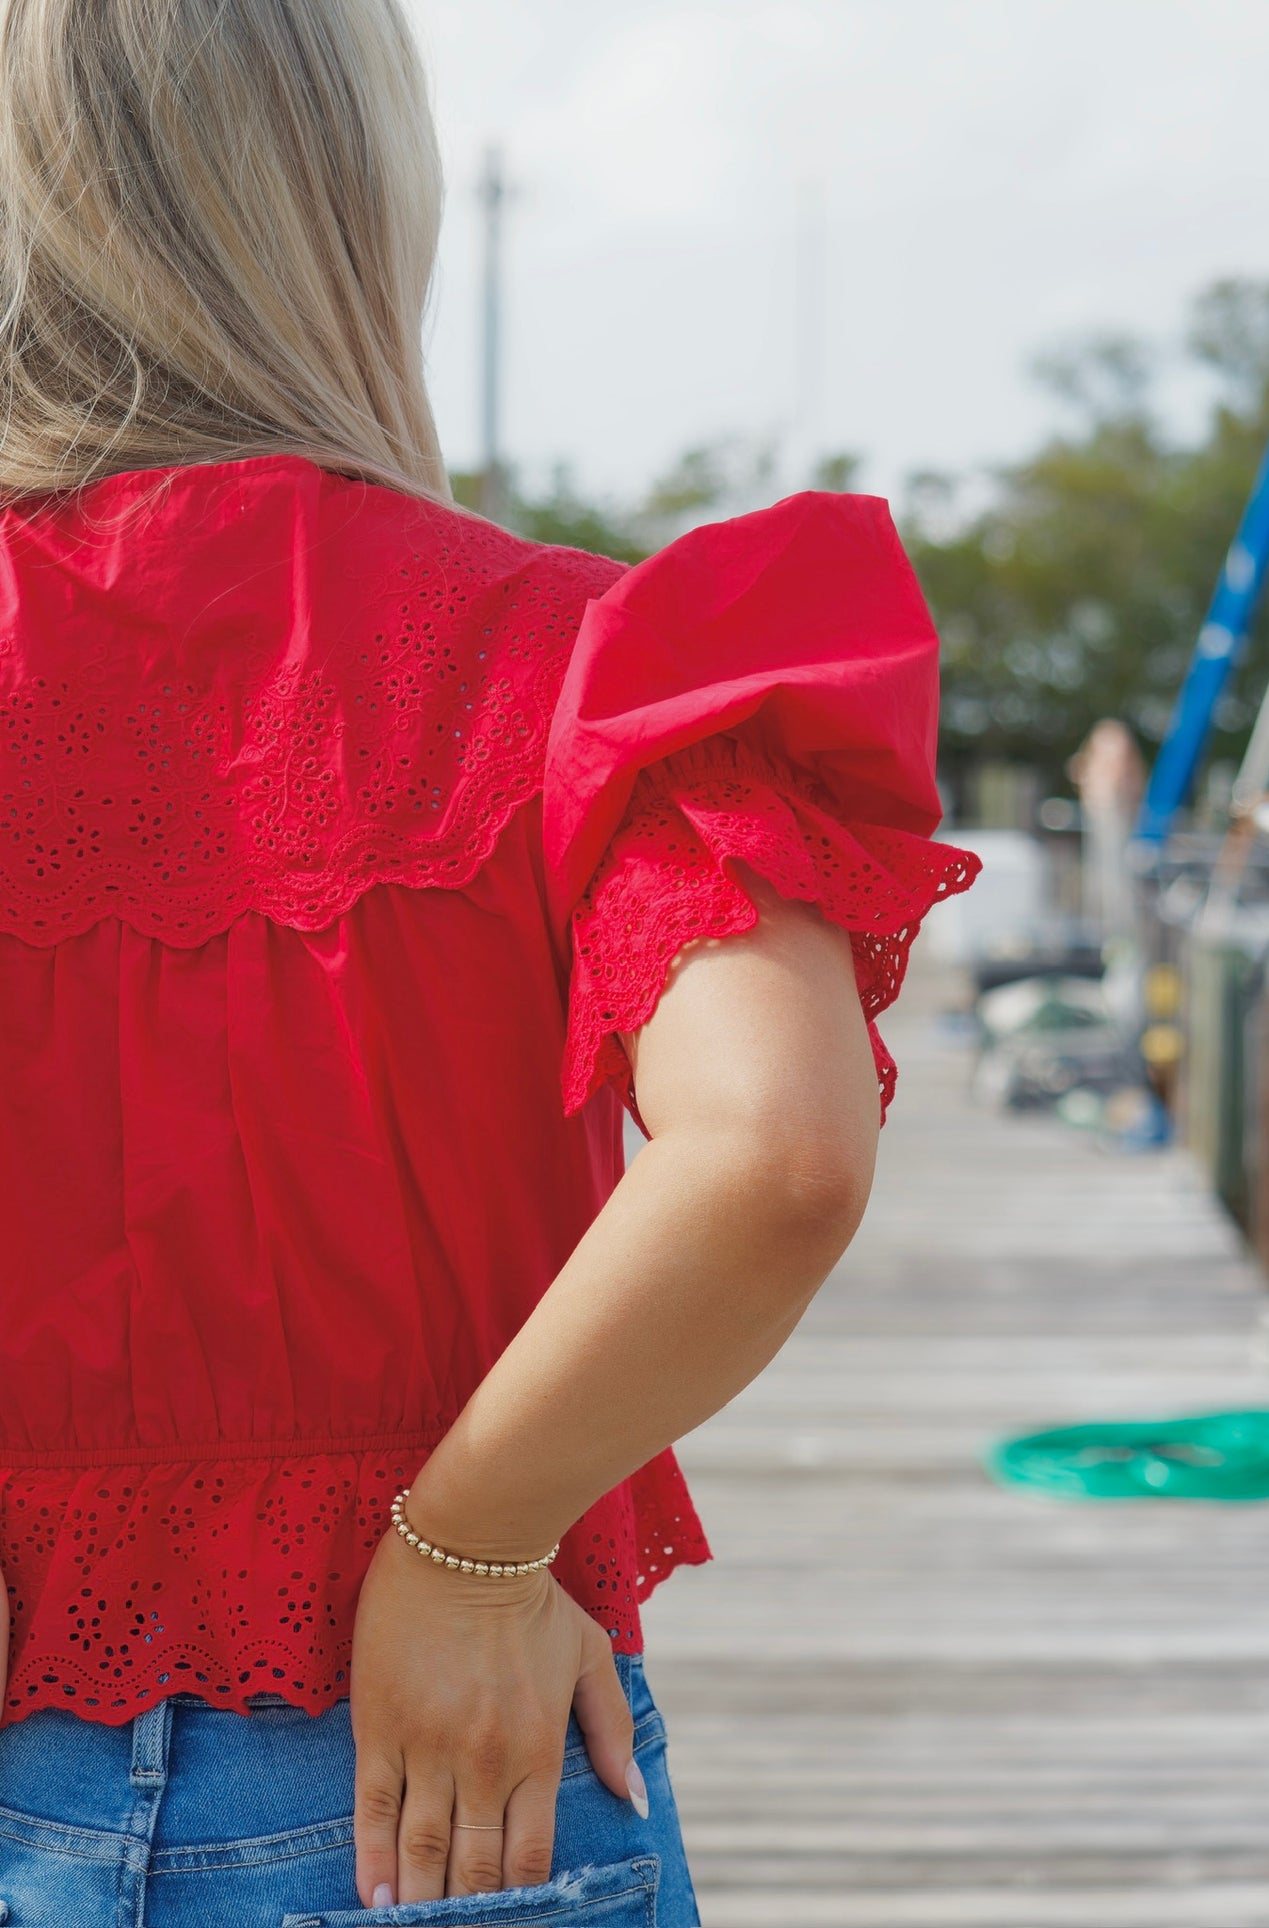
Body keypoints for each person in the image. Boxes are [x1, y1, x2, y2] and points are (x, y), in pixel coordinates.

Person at [0, 1, 979, 1922]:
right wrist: (469, 1546)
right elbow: (767, 1150)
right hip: (428, 1769)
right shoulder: (580, 661)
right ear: (361, 201)